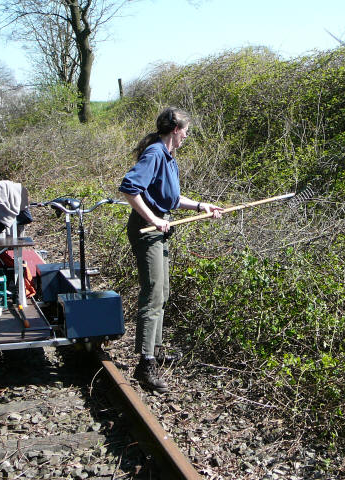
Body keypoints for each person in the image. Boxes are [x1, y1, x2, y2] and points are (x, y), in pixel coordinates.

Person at [119, 107, 223, 392]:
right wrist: (153, 219)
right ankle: (146, 363)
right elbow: (129, 188)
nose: (186, 136)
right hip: (147, 230)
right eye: (186, 131)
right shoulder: (155, 153)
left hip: (158, 229)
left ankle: (155, 349)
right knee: (153, 294)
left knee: (162, 292)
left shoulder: (168, 157)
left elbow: (172, 198)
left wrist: (201, 206)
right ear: (176, 129)